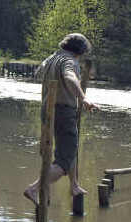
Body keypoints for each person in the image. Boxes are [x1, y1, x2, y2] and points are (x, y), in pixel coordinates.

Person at [24, 33, 98, 206]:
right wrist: (83, 97)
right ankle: (34, 188)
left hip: (48, 110)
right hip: (64, 112)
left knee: (70, 149)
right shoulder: (70, 62)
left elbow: (38, 71)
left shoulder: (53, 57)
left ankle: (74, 185)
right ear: (79, 51)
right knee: (64, 161)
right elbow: (69, 77)